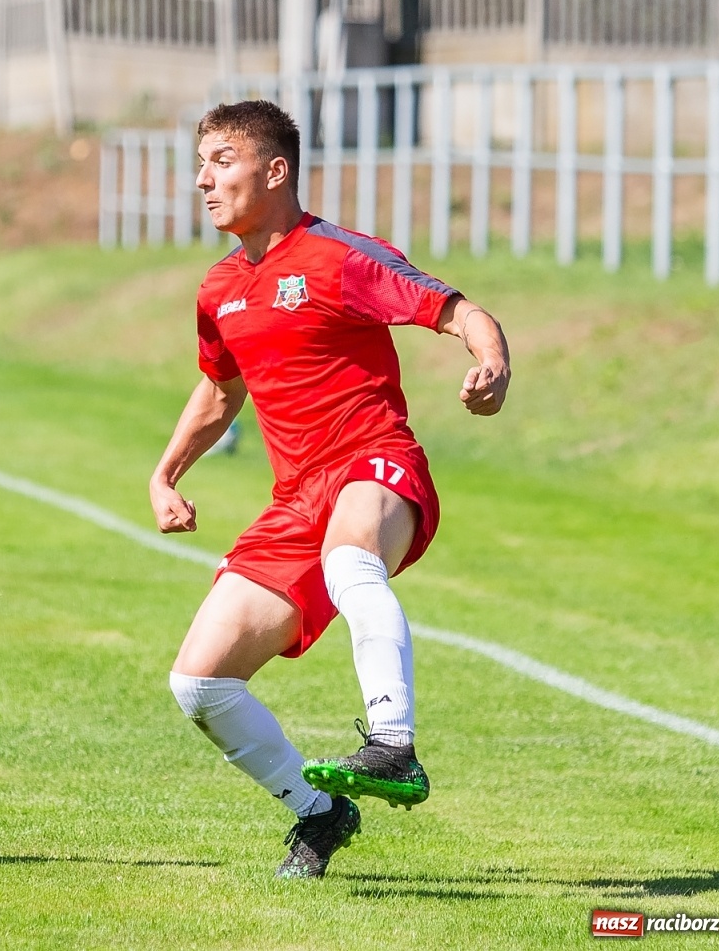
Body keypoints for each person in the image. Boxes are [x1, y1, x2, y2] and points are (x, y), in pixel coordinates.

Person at [148, 100, 510, 879]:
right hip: (296, 499)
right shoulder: (219, 290)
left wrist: (493, 363)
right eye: (200, 164)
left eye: (221, 161)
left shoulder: (339, 255)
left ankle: (393, 744)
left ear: (274, 170)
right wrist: (166, 470)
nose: (203, 181)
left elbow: (456, 310)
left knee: (352, 562)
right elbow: (219, 393)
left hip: (377, 463)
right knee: (200, 682)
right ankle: (319, 814)